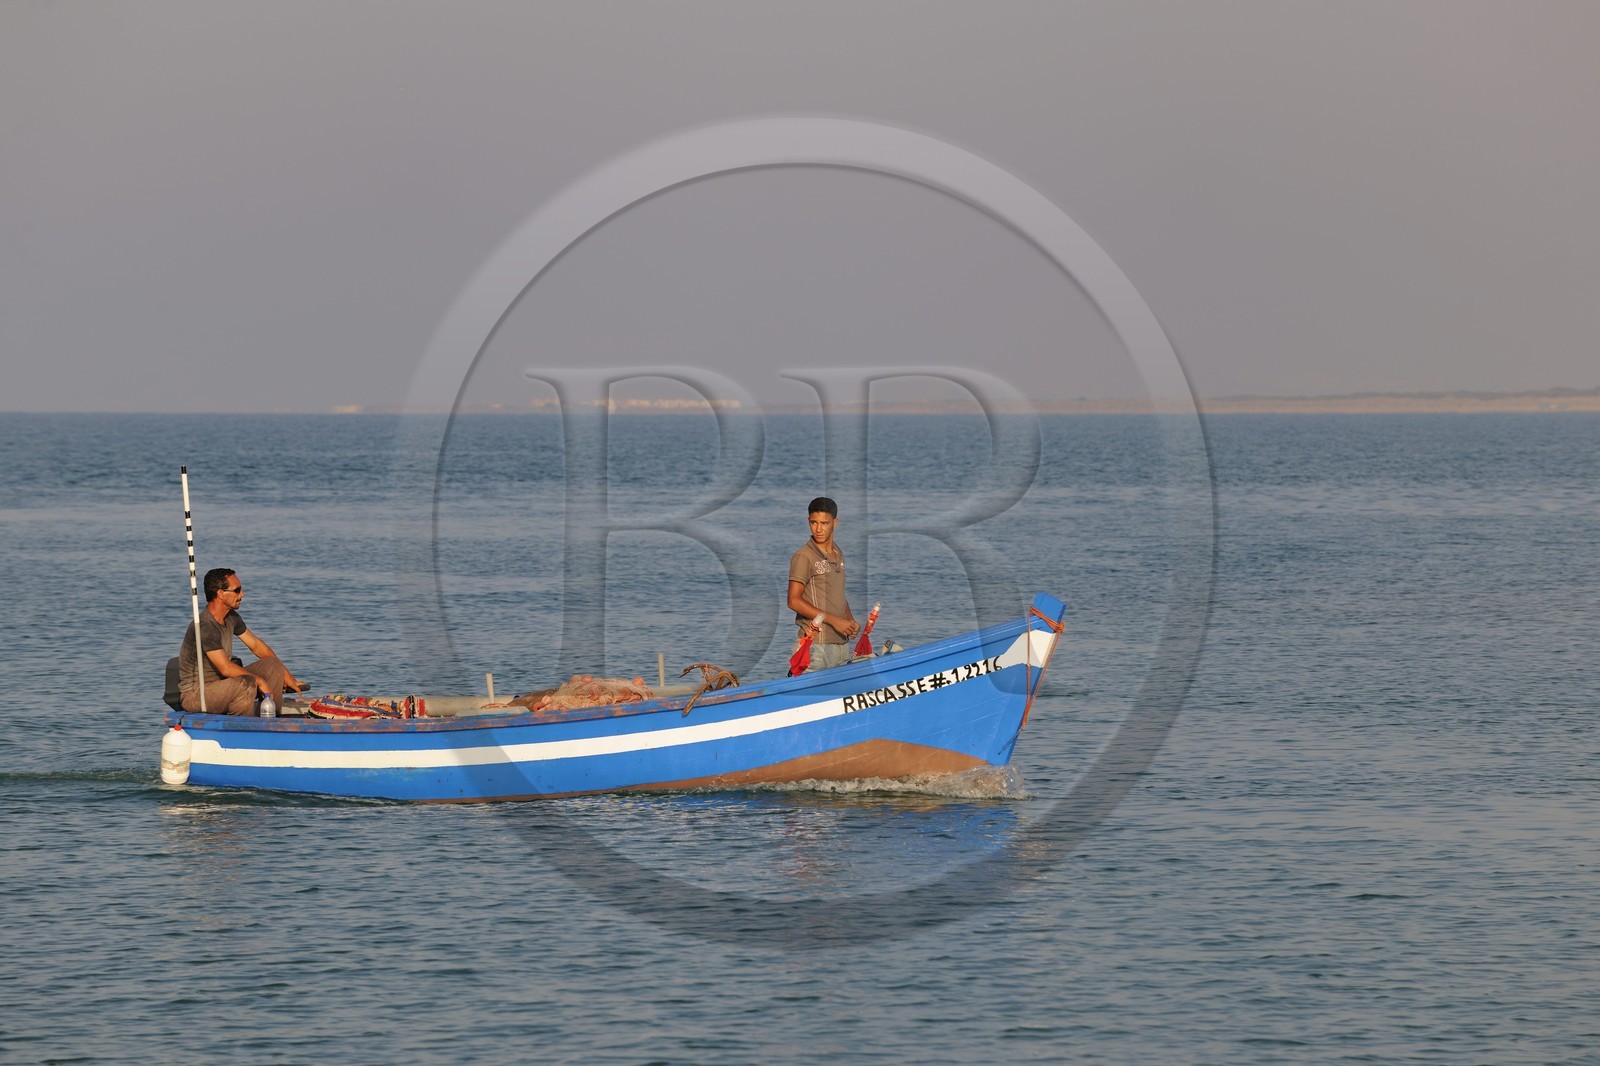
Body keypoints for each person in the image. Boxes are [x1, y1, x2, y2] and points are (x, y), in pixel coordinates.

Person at [178, 568, 303, 715]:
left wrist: (286, 675)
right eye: (237, 590)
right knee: (247, 683)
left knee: (273, 664)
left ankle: (271, 716)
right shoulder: (205, 625)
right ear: (220, 593)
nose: (242, 594)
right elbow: (225, 668)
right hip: (196, 695)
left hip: (222, 684)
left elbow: (256, 646)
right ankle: (242, 725)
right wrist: (260, 681)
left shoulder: (232, 617)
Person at [787, 497, 859, 673]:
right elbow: (793, 601)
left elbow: (837, 593)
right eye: (814, 522)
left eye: (824, 523)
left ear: (835, 522)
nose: (818, 529)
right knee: (807, 692)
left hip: (841, 644)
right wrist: (835, 621)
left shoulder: (838, 553)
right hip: (814, 646)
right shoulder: (804, 556)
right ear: (808, 522)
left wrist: (849, 620)